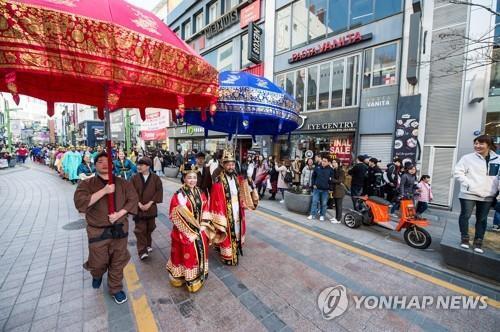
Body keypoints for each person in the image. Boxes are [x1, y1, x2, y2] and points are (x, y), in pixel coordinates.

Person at [73, 152, 139, 304]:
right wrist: (104, 191)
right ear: (95, 165)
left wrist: (119, 214)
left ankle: (116, 288)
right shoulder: (86, 184)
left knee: (118, 261)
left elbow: (133, 199)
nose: (104, 164)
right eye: (100, 161)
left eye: (107, 161)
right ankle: (97, 274)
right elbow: (80, 203)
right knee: (98, 262)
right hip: (98, 231)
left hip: (119, 229)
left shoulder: (123, 183)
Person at [167, 163, 222, 292]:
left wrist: (203, 225)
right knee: (185, 253)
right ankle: (181, 277)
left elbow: (206, 208)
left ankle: (197, 276)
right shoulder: (179, 195)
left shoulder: (201, 192)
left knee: (199, 254)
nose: (192, 180)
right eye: (189, 177)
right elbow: (174, 214)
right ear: (184, 179)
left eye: (194, 177)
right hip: (184, 231)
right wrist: (190, 231)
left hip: (200, 229)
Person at [209, 149, 259, 266]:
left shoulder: (237, 178)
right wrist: (221, 215)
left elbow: (245, 190)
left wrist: (248, 179)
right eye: (228, 164)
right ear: (223, 165)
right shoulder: (219, 180)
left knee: (237, 229)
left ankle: (236, 248)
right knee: (227, 231)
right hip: (226, 209)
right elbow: (216, 198)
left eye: (232, 164)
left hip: (237, 208)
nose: (231, 167)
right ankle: (228, 255)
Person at [454, 134, 499, 253]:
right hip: (469, 193)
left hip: (488, 195)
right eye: (475, 143)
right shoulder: (467, 158)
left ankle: (478, 242)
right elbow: (458, 172)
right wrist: (469, 184)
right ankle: (465, 239)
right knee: (465, 216)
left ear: (488, 145)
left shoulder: (498, 159)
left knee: (482, 219)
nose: (477, 146)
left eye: (480, 143)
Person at [130, 157, 163, 260]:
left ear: (148, 166)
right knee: (140, 230)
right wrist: (139, 204)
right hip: (138, 208)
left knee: (150, 227)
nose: (139, 167)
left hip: (151, 207)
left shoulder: (155, 178)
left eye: (142, 165)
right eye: (138, 164)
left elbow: (159, 191)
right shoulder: (134, 178)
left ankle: (148, 244)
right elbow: (131, 192)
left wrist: (150, 203)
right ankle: (142, 251)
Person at [308, 156, 334, 221]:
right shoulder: (317, 168)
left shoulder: (330, 170)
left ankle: (322, 215)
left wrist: (330, 189)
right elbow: (313, 177)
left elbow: (331, 181)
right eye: (323, 161)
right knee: (314, 202)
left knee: (324, 204)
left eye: (325, 161)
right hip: (316, 189)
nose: (323, 162)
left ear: (328, 162)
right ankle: (312, 214)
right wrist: (313, 184)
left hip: (325, 190)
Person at [330, 158, 346, 224]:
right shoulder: (334, 170)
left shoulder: (341, 171)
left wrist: (331, 179)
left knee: (339, 205)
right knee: (336, 205)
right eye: (333, 162)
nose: (333, 164)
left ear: (338, 163)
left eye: (335, 162)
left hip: (340, 190)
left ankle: (338, 219)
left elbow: (340, 181)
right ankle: (336, 217)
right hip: (335, 190)